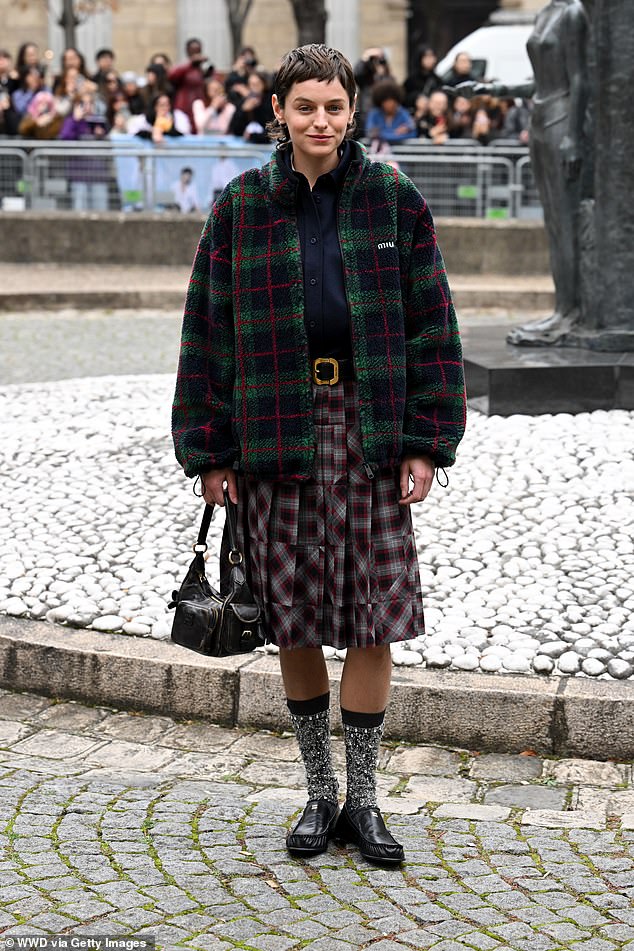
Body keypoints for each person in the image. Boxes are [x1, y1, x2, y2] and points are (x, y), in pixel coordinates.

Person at [172, 44, 466, 866]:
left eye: (334, 107)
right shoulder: (239, 207)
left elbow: (432, 327)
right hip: (275, 429)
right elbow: (206, 333)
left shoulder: (393, 199)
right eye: (305, 107)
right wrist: (208, 448)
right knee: (295, 619)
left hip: (370, 429)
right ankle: (318, 795)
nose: (321, 121)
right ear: (279, 112)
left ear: (352, 112)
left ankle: (365, 801)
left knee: (374, 617)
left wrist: (426, 440)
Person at [450, 0, 591, 345]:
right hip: (541, 119)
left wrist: (574, 136)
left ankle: (572, 312)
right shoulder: (546, 12)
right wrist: (492, 90)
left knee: (567, 220)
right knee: (554, 223)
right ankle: (562, 307)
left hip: (563, 124)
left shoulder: (575, 13)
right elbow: (539, 83)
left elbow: (580, 80)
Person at [168, 38, 208, 131]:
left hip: (199, 104)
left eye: (198, 50)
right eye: (193, 50)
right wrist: (191, 63)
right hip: (184, 105)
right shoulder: (184, 68)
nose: (196, 53)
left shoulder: (201, 69)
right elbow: (172, 76)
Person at [365, 79, 416, 147]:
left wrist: (382, 134)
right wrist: (396, 133)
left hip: (400, 152)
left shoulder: (403, 113)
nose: (389, 105)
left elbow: (413, 132)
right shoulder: (374, 114)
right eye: (386, 101)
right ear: (381, 102)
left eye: (392, 101)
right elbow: (370, 133)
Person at [228, 68, 273, 142]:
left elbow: (272, 130)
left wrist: (259, 108)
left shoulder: (270, 102)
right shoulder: (243, 102)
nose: (254, 87)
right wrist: (244, 111)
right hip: (245, 146)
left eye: (257, 84)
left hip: (264, 145)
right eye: (251, 84)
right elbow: (235, 130)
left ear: (264, 85)